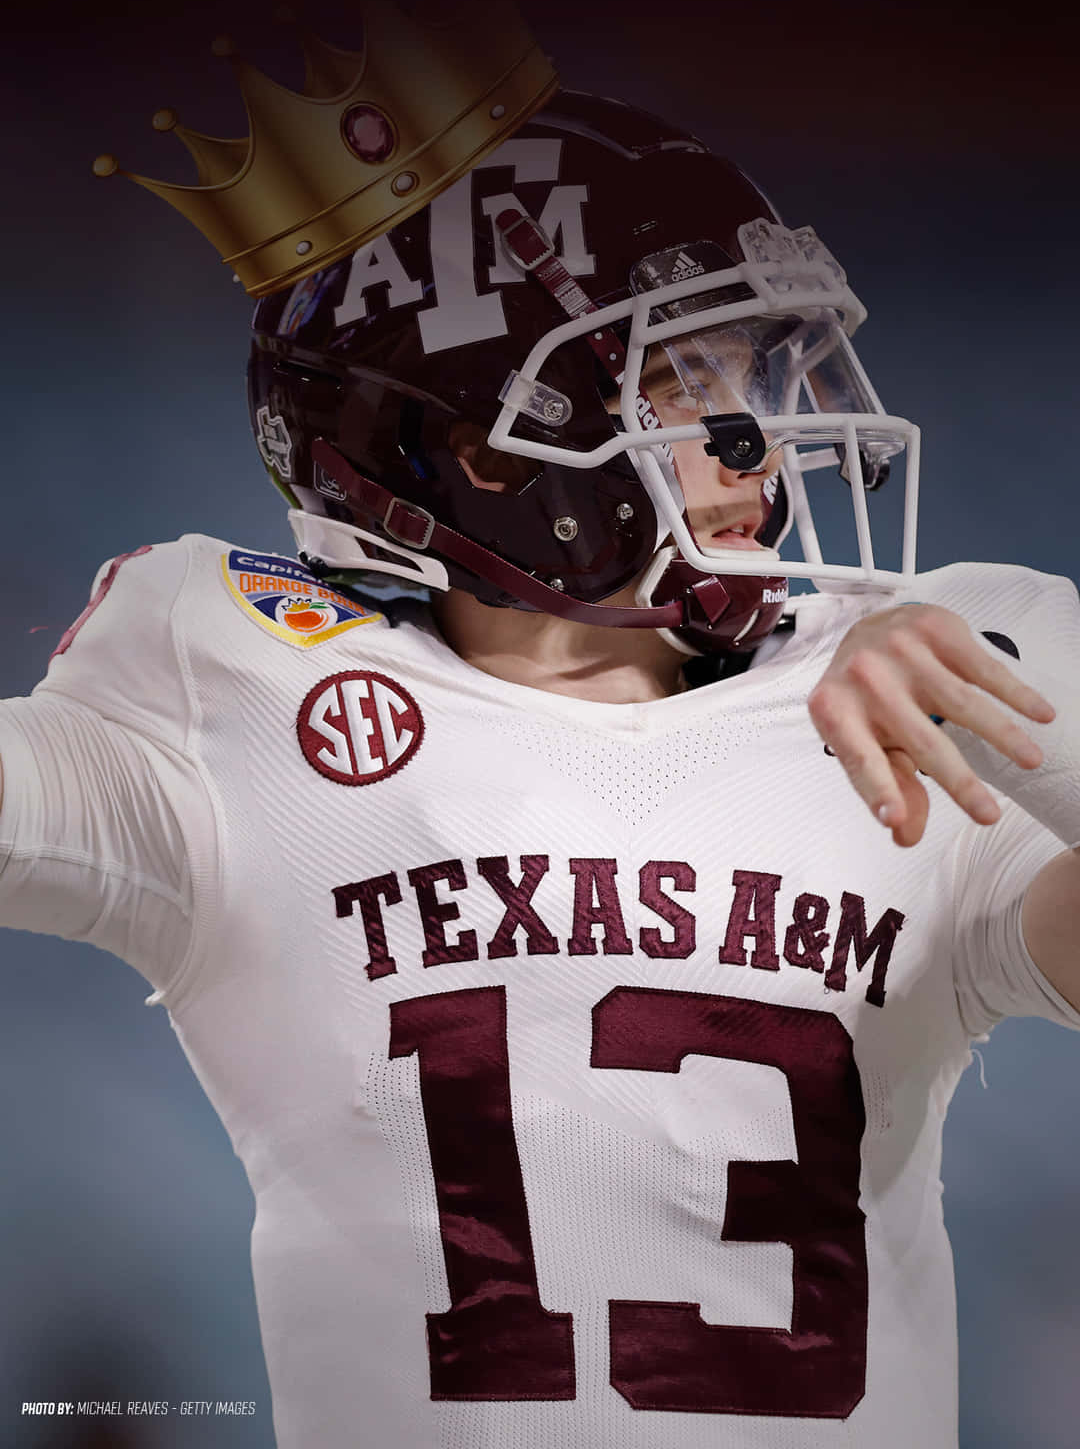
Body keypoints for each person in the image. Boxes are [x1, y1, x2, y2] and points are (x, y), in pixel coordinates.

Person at [2, 84, 1078, 1449]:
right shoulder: (256, 702)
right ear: (486, 446)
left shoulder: (904, 697)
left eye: (754, 374)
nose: (760, 437)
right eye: (688, 384)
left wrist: (1026, 708)